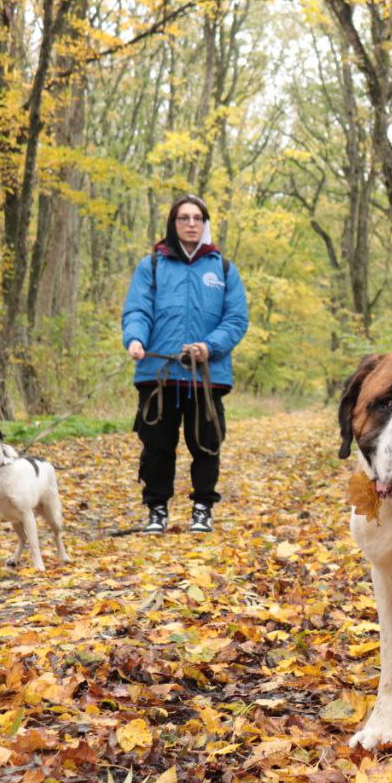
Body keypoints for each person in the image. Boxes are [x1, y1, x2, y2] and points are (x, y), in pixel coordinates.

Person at [121, 194, 249, 534]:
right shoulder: (151, 265)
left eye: (197, 218)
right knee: (156, 447)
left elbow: (236, 319)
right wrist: (135, 339)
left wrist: (210, 347)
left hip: (207, 376)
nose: (191, 224)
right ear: (173, 223)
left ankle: (202, 508)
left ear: (204, 224)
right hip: (157, 374)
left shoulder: (222, 268)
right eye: (184, 218)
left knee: (206, 444)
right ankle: (157, 510)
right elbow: (138, 310)